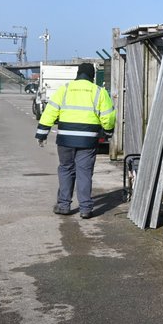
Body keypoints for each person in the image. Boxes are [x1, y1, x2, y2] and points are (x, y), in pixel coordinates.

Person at [35, 62, 115, 218]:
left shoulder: (64, 89)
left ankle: (64, 205)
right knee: (84, 173)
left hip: (65, 139)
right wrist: (108, 131)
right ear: (92, 76)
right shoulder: (99, 92)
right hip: (87, 140)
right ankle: (85, 209)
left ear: (77, 74)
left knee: (66, 169)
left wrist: (42, 133)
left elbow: (50, 112)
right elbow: (108, 116)